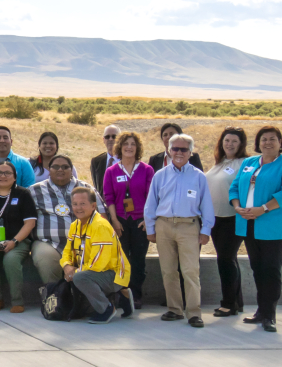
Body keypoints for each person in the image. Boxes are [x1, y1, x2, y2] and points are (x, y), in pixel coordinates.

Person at [229, 125, 282, 333]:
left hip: (273, 225)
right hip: (249, 223)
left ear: (280, 143)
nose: (267, 143)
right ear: (258, 143)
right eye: (263, 139)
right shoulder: (249, 163)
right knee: (257, 268)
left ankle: (270, 315)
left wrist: (263, 209)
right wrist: (237, 207)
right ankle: (261, 310)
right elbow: (234, 187)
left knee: (271, 269)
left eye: (272, 139)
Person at [145, 133, 214, 328]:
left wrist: (206, 229)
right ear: (169, 150)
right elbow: (151, 204)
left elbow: (207, 204)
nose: (179, 153)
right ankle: (174, 309)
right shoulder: (160, 175)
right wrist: (151, 228)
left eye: (184, 149)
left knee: (190, 271)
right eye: (175, 148)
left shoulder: (198, 176)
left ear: (190, 153)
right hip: (164, 226)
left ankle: (194, 312)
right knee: (168, 271)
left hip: (189, 227)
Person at [61, 187, 134, 323]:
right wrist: (66, 266)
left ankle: (106, 308)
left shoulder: (100, 225)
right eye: (75, 204)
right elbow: (67, 251)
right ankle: (122, 296)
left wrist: (75, 272)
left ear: (93, 205)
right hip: (94, 272)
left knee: (80, 277)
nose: (78, 208)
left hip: (113, 273)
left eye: (83, 203)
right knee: (74, 275)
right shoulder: (75, 225)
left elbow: (99, 263)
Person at [28, 154, 103, 285]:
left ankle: (81, 297)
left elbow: (102, 215)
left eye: (65, 167)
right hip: (48, 242)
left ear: (72, 170)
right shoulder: (34, 191)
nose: (60, 170)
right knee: (45, 259)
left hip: (83, 241)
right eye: (55, 167)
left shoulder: (86, 189)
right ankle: (55, 297)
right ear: (49, 170)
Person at [102, 131, 154, 308]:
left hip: (141, 221)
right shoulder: (111, 171)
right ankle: (122, 295)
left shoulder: (147, 170)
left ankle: (136, 295)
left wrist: (148, 220)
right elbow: (108, 197)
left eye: (133, 144)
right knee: (121, 260)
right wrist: (114, 221)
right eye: (126, 144)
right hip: (120, 222)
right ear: (120, 147)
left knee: (138, 261)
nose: (129, 147)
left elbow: (151, 197)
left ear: (137, 148)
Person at [0, 161, 37, 313]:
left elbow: (29, 223)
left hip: (18, 242)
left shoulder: (23, 194)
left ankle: (17, 301)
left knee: (11, 260)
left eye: (7, 173)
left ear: (15, 177)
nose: (3, 176)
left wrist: (14, 241)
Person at [208, 127, 250, 317]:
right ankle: (237, 301)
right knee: (228, 259)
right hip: (216, 219)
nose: (230, 144)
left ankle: (228, 304)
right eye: (226, 140)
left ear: (241, 144)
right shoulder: (220, 162)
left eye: (234, 141)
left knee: (225, 260)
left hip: (232, 218)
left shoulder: (244, 163)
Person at [89, 125, 121, 198]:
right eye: (107, 137)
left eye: (114, 136)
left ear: (120, 139)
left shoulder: (127, 160)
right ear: (103, 140)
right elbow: (97, 189)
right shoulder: (96, 162)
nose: (110, 139)